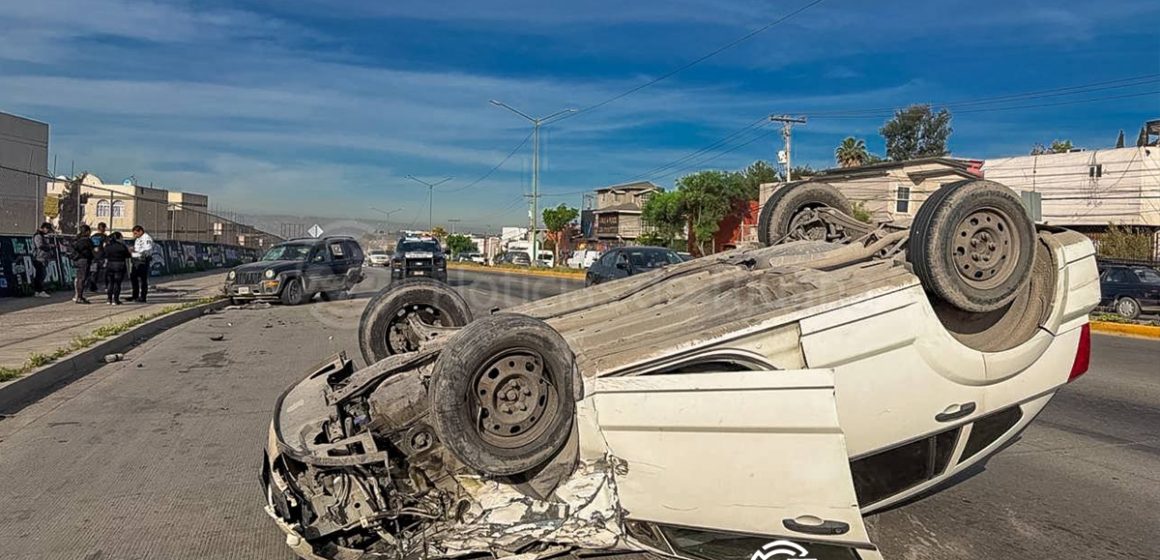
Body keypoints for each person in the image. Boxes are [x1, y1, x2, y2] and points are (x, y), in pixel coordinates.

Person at [128, 225, 155, 303]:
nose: (135, 235)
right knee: (133, 278)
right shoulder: (138, 239)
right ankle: (135, 295)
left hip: (142, 260)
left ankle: (143, 297)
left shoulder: (147, 238)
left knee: (143, 279)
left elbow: (148, 249)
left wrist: (136, 250)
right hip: (135, 260)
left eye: (136, 233)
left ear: (141, 231)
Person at [102, 231, 130, 305]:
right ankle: (116, 299)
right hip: (120, 264)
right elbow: (127, 255)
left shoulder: (108, 246)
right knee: (117, 283)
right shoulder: (122, 246)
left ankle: (109, 299)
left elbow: (104, 254)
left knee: (110, 282)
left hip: (110, 264)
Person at [71, 224, 94, 304]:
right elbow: (93, 250)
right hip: (84, 260)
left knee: (78, 278)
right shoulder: (87, 240)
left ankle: (78, 295)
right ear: (87, 232)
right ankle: (79, 297)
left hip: (77, 260)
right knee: (82, 279)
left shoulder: (77, 239)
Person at [30, 222, 54, 298]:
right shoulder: (38, 236)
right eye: (48, 229)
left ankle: (37, 291)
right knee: (41, 274)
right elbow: (40, 245)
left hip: (42, 257)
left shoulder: (41, 236)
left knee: (41, 275)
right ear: (44, 228)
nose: (48, 232)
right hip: (39, 258)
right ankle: (40, 290)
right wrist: (49, 246)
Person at [89, 222, 108, 292]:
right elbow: (106, 246)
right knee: (106, 271)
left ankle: (93, 287)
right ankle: (107, 286)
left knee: (94, 272)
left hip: (93, 256)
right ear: (103, 228)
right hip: (101, 256)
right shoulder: (104, 237)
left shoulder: (93, 236)